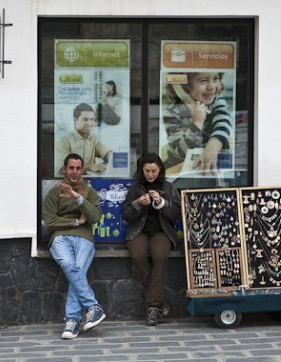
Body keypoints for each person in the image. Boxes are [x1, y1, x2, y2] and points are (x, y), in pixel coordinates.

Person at [42, 153, 106, 339]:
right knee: (71, 266)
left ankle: (72, 321)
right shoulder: (55, 192)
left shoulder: (89, 192)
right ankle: (93, 306)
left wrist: (78, 198)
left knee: (76, 270)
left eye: (78, 168)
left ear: (82, 169)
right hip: (60, 237)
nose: (74, 172)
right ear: (64, 169)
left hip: (84, 238)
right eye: (71, 168)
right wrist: (76, 222)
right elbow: (50, 222)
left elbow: (94, 218)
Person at [123, 153, 181, 326]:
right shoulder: (135, 188)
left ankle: (153, 306)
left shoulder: (169, 187)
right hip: (138, 231)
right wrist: (138, 204)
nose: (150, 174)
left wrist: (162, 203)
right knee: (138, 256)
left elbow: (177, 214)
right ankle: (158, 302)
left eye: (154, 171)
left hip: (162, 231)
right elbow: (126, 215)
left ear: (160, 170)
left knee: (160, 256)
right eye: (147, 171)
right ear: (142, 170)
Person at [161, 72, 233, 173]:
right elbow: (181, 152)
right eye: (203, 81)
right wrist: (197, 122)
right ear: (183, 87)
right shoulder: (172, 112)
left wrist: (213, 146)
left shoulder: (216, 101)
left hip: (209, 166)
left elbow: (223, 121)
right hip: (180, 169)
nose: (212, 87)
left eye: (216, 79)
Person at [55, 103, 113, 174]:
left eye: (92, 119)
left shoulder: (93, 138)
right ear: (75, 120)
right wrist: (88, 166)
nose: (89, 123)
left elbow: (105, 152)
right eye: (85, 119)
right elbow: (62, 170)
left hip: (89, 183)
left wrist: (112, 158)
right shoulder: (63, 141)